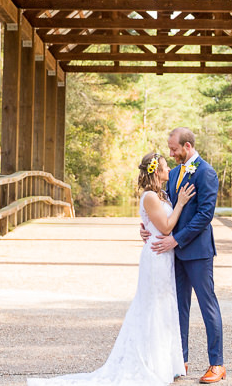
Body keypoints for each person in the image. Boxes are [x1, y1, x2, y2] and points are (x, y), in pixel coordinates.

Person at [27, 152, 195, 386]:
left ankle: (166, 363)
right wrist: (181, 204)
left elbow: (155, 224)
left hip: (165, 257)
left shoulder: (162, 195)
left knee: (165, 308)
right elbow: (166, 227)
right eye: (165, 168)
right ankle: (149, 363)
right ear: (156, 172)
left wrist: (149, 224)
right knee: (152, 308)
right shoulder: (150, 197)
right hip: (156, 258)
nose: (169, 170)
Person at [145, 127, 226, 384]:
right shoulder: (176, 172)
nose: (171, 153)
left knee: (207, 306)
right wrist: (146, 226)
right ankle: (181, 361)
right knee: (179, 307)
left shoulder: (206, 173)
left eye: (174, 149)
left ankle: (217, 364)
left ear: (187, 147)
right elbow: (164, 206)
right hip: (174, 254)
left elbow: (205, 216)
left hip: (198, 253)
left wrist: (176, 238)